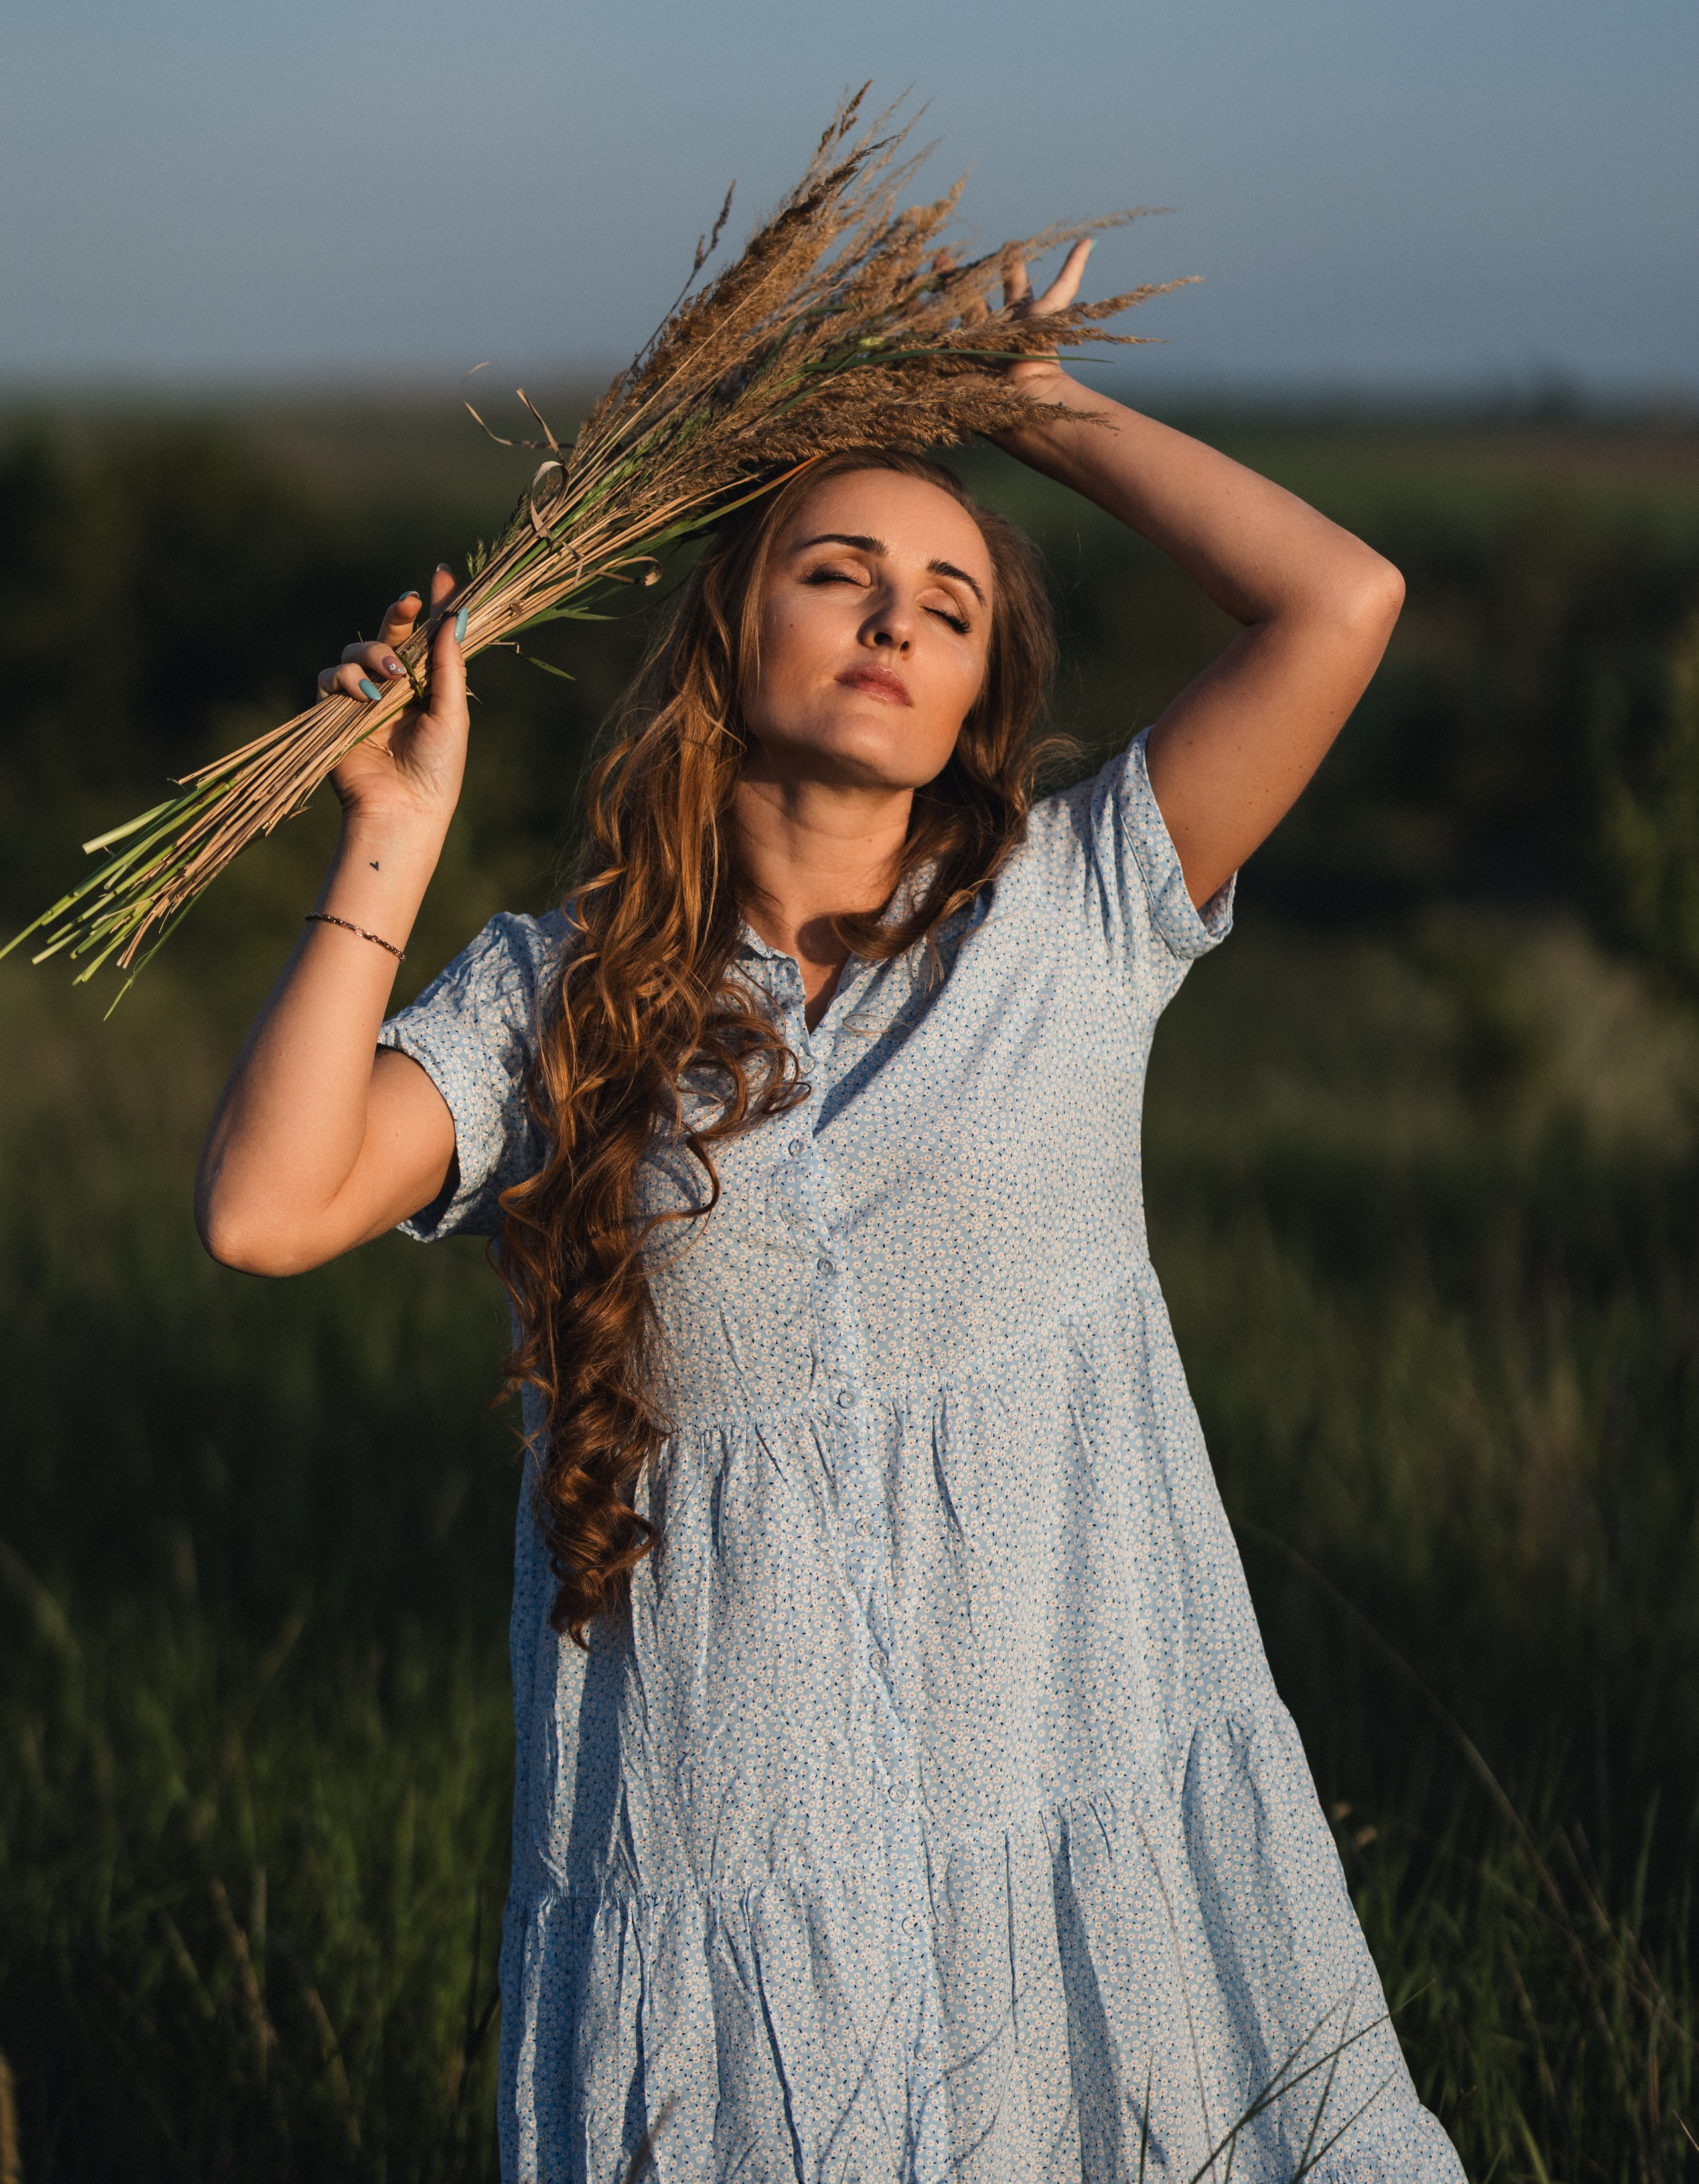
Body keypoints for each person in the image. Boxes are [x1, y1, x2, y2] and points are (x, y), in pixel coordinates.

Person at [196, 246, 1463, 2183]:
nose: (893, 617)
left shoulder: (1075, 917)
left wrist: (1021, 407)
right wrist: (390, 828)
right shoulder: (559, 994)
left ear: (979, 702)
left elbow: (1340, 600)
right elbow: (267, 1211)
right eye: (837, 573)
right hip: (732, 1880)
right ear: (730, 634)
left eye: (948, 604)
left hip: (1069, 1836)